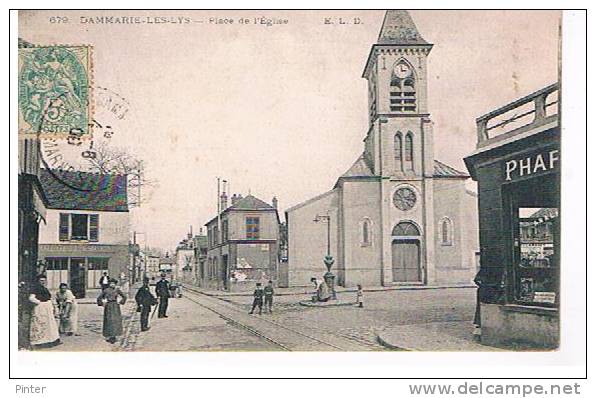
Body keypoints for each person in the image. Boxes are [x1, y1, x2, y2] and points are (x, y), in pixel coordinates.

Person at [28, 275, 61, 348]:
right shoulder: (35, 288)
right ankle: (40, 342)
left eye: (44, 281)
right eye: (41, 281)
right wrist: (39, 303)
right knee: (41, 324)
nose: (43, 282)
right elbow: (31, 298)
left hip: (47, 308)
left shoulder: (45, 288)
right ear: (38, 281)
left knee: (50, 324)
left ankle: (51, 340)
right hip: (40, 308)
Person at [97, 278, 127, 344]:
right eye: (111, 283)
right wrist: (102, 303)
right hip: (108, 306)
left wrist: (121, 302)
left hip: (115, 306)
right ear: (109, 284)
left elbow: (124, 296)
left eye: (113, 283)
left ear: (115, 284)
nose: (112, 285)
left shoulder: (117, 290)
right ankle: (110, 335)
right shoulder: (106, 290)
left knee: (115, 320)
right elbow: (99, 298)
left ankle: (114, 335)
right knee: (109, 320)